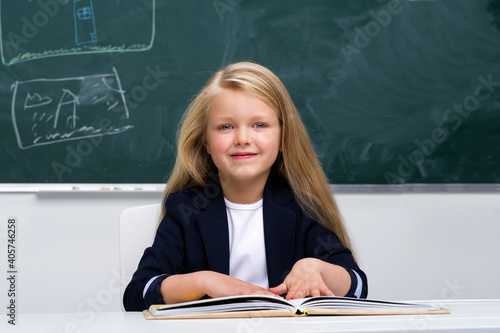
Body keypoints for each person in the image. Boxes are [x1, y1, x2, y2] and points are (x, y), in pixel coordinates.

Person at [123, 62, 368, 311]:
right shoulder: (185, 208)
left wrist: (317, 269)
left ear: (284, 138)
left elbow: (358, 286)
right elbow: (137, 294)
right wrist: (205, 281)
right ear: (205, 141)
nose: (242, 139)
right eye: (225, 127)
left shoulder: (302, 206)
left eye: (259, 125)